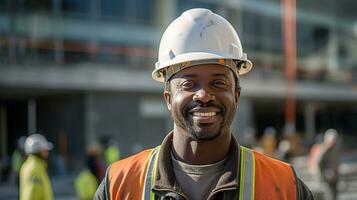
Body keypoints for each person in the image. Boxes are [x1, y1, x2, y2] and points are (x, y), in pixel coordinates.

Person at [94, 8, 313, 200]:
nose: (204, 94)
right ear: (168, 99)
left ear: (236, 95)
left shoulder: (285, 186)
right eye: (189, 84)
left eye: (218, 83)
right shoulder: (119, 184)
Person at [19, 134, 53, 200]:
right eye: (44, 150)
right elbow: (31, 196)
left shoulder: (33, 166)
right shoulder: (34, 168)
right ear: (37, 151)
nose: (47, 153)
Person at [316, 129, 340, 200]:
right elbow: (318, 164)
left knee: (335, 195)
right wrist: (322, 176)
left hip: (335, 176)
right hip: (327, 177)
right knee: (329, 196)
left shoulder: (336, 148)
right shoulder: (323, 150)